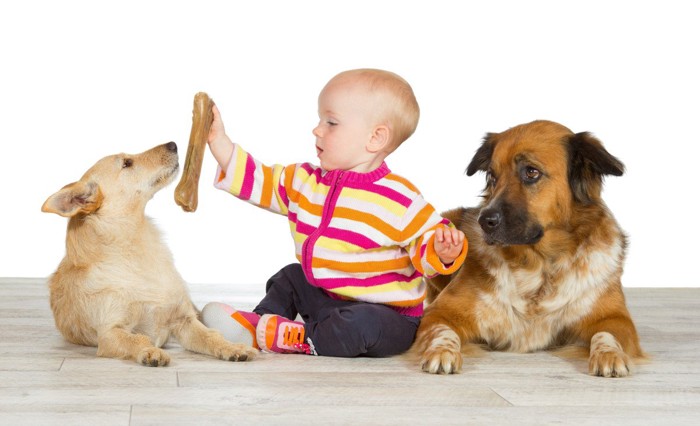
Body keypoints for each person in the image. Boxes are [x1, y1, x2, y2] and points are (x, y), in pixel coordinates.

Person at [202, 69, 467, 357]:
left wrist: (444, 250)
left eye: (331, 122)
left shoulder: (399, 198)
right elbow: (261, 180)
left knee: (361, 324)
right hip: (327, 298)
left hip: (387, 316)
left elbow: (427, 240)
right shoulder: (305, 181)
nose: (317, 129)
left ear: (375, 138)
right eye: (320, 120)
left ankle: (302, 339)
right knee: (291, 277)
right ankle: (258, 324)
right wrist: (220, 143)